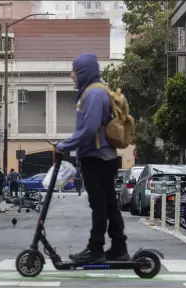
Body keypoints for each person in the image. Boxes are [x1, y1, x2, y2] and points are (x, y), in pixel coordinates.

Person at [55, 53, 129, 264]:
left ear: (84, 72)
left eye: (74, 71)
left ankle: (96, 249)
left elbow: (89, 129)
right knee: (108, 205)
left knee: (100, 205)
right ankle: (119, 248)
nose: (71, 75)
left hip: (98, 159)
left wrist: (64, 145)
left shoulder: (94, 94)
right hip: (101, 158)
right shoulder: (92, 92)